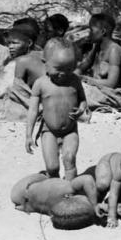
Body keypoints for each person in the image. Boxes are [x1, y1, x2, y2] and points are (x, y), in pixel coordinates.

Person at [25, 38, 87, 181]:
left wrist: (81, 109)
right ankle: (55, 189)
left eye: (69, 69)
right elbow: (33, 111)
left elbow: (83, 100)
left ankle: (70, 191)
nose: (64, 74)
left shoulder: (74, 80)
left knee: (69, 158)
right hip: (49, 131)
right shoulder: (40, 84)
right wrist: (29, 135)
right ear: (44, 62)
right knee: (52, 167)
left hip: (70, 130)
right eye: (58, 69)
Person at [76, 13, 121, 98]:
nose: (88, 33)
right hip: (100, 88)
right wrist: (73, 76)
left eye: (91, 30)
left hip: (115, 93)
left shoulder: (114, 50)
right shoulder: (97, 46)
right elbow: (85, 64)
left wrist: (85, 79)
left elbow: (111, 83)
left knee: (79, 93)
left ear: (103, 31)